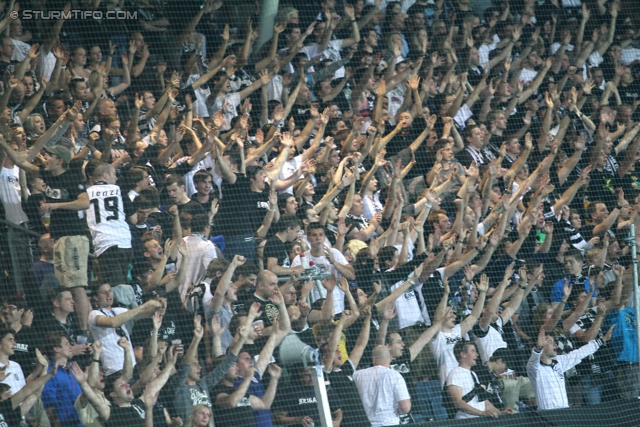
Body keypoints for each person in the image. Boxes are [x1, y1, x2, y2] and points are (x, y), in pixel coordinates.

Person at [527, 325, 615, 410]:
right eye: (550, 342)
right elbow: (534, 359)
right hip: (546, 416)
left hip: (564, 412)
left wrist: (603, 340)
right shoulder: (535, 368)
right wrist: (538, 348)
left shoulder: (559, 362)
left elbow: (580, 353)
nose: (555, 345)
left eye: (554, 341)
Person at [87, 283, 162, 376]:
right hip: (115, 371)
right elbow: (113, 323)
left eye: (110, 291)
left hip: (131, 367)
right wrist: (143, 306)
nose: (108, 294)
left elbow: (145, 314)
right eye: (103, 292)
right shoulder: (94, 314)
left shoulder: (117, 311)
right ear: (96, 297)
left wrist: (158, 305)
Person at [446, 340, 515, 419]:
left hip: (480, 420)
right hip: (466, 421)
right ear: (463, 354)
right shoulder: (455, 373)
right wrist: (482, 413)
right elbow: (457, 402)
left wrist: (500, 412)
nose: (477, 355)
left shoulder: (473, 374)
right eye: (473, 351)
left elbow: (483, 400)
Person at [353, 345, 411, 427]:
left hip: (364, 424)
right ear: (390, 358)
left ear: (373, 359)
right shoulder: (395, 375)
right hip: (389, 423)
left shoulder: (357, 375)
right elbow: (405, 407)